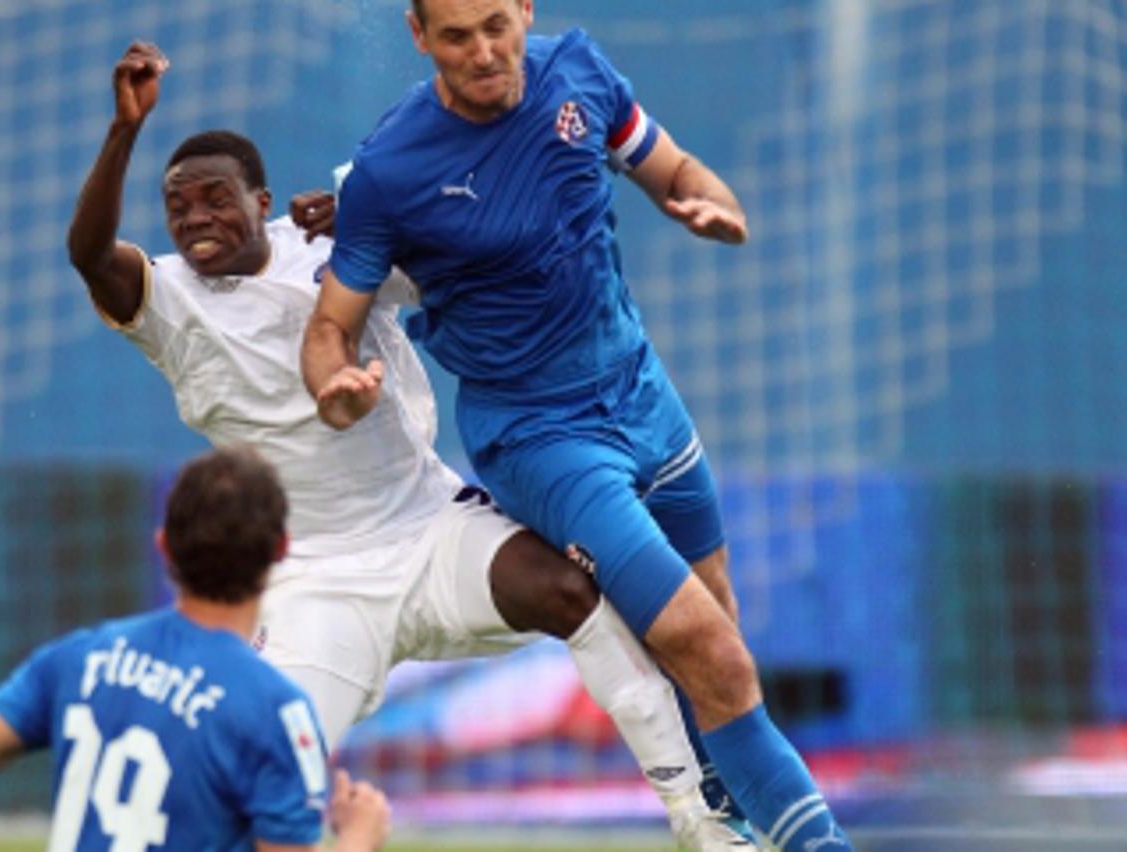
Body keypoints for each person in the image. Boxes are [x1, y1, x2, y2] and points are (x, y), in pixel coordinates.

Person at [65, 42, 747, 850]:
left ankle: (700, 820)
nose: (196, 218)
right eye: (179, 206)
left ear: (264, 200)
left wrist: (380, 219)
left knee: (573, 594)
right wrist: (122, 131)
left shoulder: (340, 242)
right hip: (313, 579)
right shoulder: (166, 299)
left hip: (427, 528)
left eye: (216, 199)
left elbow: (471, 257)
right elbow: (88, 253)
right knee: (266, 767)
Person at [301, 2, 854, 850]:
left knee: (718, 635)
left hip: (643, 394)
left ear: (525, 7)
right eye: (456, 36)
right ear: (419, 38)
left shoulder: (581, 72)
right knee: (717, 654)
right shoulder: (390, 170)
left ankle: (725, 828)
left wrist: (706, 203)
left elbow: (677, 173)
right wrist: (334, 382)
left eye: (497, 23)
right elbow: (329, 328)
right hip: (540, 439)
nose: (484, 51)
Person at [0, 446, 391, 852]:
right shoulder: (277, 710)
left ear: (164, 545)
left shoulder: (76, 660)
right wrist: (359, 839)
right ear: (281, 549)